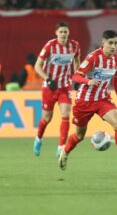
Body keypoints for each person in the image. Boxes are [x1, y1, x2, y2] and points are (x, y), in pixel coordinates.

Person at [58, 30, 117, 175]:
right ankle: (66, 151)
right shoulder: (93, 58)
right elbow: (76, 76)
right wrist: (88, 81)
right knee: (79, 136)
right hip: (84, 101)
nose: (113, 46)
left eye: (116, 43)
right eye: (110, 43)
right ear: (103, 43)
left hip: (102, 99)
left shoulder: (116, 61)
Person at [33, 22, 81, 157]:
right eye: (61, 32)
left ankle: (61, 147)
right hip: (50, 87)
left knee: (66, 115)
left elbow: (77, 61)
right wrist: (47, 79)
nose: (63, 34)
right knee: (47, 118)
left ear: (68, 33)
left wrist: (77, 77)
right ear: (56, 33)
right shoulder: (50, 46)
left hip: (65, 86)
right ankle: (38, 138)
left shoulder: (75, 46)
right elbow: (37, 66)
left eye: (65, 32)